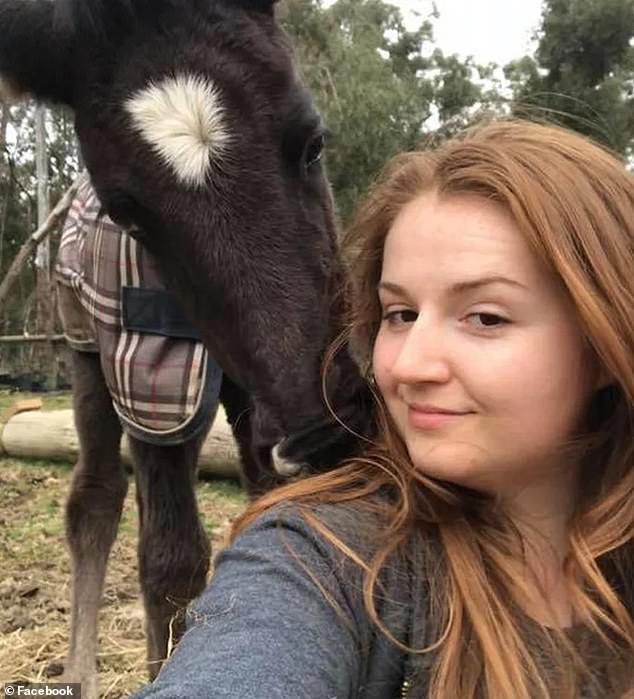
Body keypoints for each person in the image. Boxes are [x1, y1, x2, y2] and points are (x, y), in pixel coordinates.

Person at [130, 119, 634, 699]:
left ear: (605, 345)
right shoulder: (322, 559)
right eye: (400, 314)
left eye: (486, 317)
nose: (408, 366)